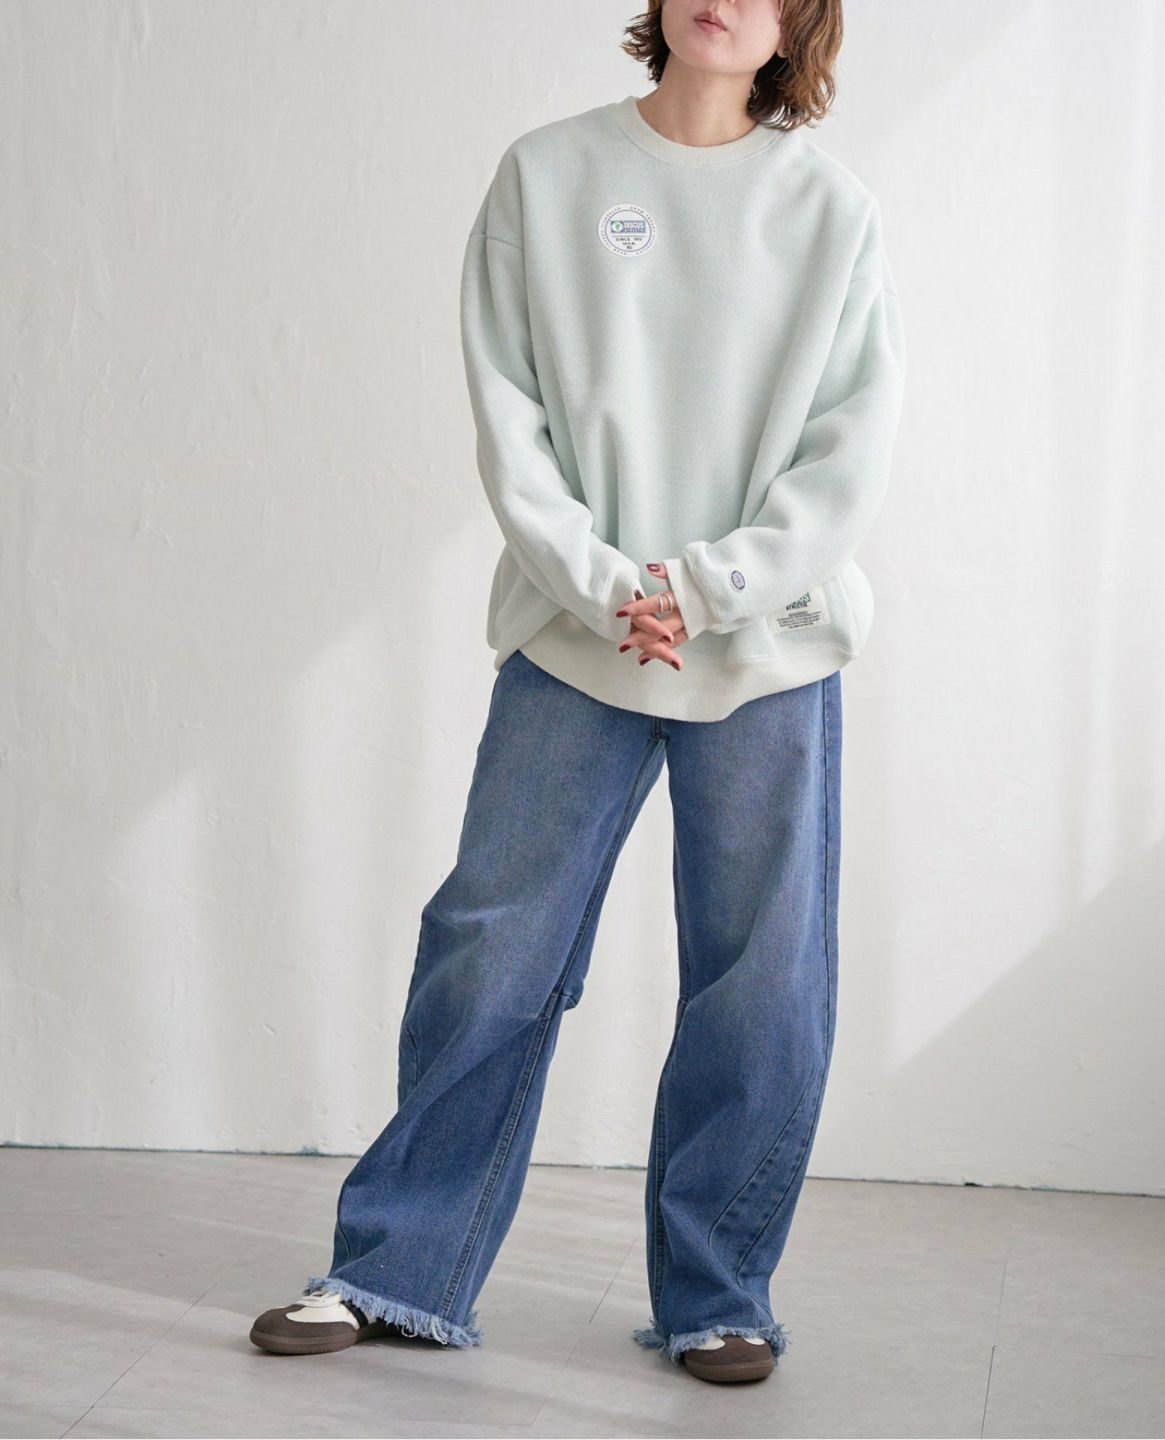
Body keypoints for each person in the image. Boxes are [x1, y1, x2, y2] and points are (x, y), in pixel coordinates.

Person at [249, 0, 904, 1386]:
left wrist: (708, 587)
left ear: (799, 24)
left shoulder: (830, 210)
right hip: (576, 630)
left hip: (766, 642)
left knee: (761, 978)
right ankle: (393, 1271)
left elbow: (849, 450)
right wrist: (610, 586)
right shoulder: (548, 174)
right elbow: (512, 414)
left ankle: (718, 1292)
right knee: (491, 944)